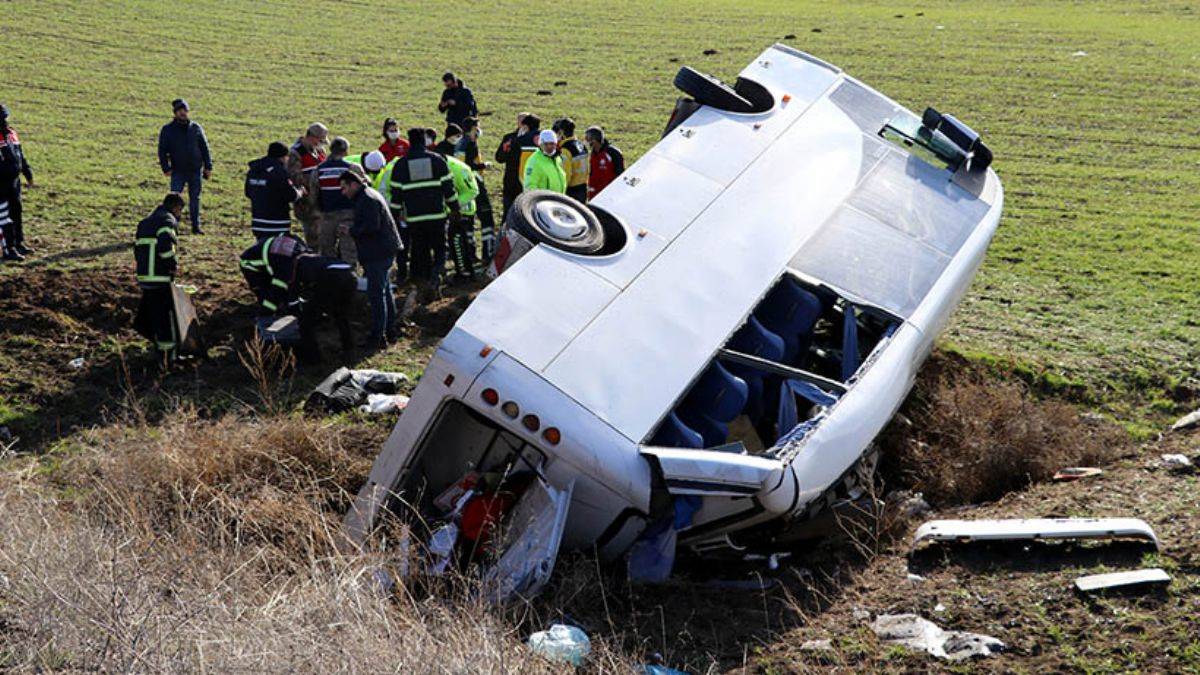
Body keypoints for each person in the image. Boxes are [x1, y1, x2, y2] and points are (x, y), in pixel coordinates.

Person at [239, 233, 356, 362]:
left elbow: (291, 294)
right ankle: (349, 350)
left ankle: (313, 359)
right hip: (350, 276)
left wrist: (292, 311)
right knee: (340, 315)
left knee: (305, 322)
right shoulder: (307, 255)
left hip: (331, 280)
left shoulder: (291, 267)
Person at [382, 128, 460, 301]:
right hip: (437, 216)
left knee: (421, 251)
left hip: (415, 219)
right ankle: (436, 277)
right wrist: (455, 209)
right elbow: (449, 190)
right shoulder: (437, 160)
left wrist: (394, 217)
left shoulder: (401, 165)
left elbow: (396, 197)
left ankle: (424, 285)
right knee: (440, 249)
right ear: (424, 140)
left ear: (409, 141)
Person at [340, 169, 403, 348]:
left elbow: (371, 227)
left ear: (354, 184)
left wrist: (350, 231)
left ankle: (378, 337)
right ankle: (390, 330)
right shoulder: (368, 195)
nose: (343, 192)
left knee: (376, 295)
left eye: (344, 188)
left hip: (378, 252)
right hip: (382, 249)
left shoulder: (366, 199)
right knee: (384, 292)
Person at [133, 193, 184, 367]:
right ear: (176, 207)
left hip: (145, 276)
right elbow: (166, 249)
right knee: (164, 317)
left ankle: (154, 342)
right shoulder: (168, 221)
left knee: (151, 312)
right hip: (160, 277)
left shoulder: (145, 222)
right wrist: (173, 266)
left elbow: (137, 250)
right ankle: (167, 356)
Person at [156, 99, 212, 234]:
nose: (183, 113)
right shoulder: (167, 130)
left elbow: (205, 148)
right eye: (180, 110)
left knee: (195, 200)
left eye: (185, 110)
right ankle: (172, 226)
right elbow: (162, 150)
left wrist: (208, 166)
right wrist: (166, 168)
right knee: (174, 200)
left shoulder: (196, 128)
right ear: (175, 113)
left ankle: (195, 227)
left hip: (195, 170)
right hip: (177, 171)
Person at [435, 141, 480, 280]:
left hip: (463, 211)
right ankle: (462, 272)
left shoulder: (460, 169)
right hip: (448, 211)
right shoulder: (437, 166)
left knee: (458, 243)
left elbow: (473, 190)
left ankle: (465, 274)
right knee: (452, 244)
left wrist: (454, 205)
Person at [454, 117, 498, 262]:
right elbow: (470, 165)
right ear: (473, 128)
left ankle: (470, 254)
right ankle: (488, 252)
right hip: (475, 184)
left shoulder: (460, 143)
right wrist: (483, 165)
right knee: (486, 219)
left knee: (469, 221)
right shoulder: (470, 143)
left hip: (463, 185)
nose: (479, 130)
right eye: (477, 127)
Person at [311, 137, 358, 266]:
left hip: (327, 216)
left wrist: (318, 212)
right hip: (349, 216)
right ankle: (349, 278)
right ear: (345, 151)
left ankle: (329, 277)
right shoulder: (353, 168)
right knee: (349, 252)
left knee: (326, 251)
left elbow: (314, 195)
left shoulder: (319, 170)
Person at [245, 141, 304, 241]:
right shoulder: (279, 172)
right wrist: (300, 192)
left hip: (258, 222)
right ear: (283, 157)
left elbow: (248, 192)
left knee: (262, 249)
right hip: (277, 223)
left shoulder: (254, 170)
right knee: (275, 253)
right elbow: (291, 195)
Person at [0, 103, 34, 261]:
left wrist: (27, 172)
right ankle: (9, 249)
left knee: (16, 212)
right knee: (4, 217)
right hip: (0, 184)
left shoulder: (12, 134)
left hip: (14, 182)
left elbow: (20, 154)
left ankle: (19, 243)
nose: (5, 121)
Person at [286, 122, 328, 247]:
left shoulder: (320, 151)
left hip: (321, 201)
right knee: (313, 238)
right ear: (312, 137)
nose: (320, 144)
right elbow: (295, 177)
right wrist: (316, 180)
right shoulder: (295, 153)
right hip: (307, 204)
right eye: (319, 140)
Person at [494, 112, 540, 218]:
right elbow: (499, 158)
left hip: (528, 181)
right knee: (509, 212)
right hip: (512, 181)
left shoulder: (537, 140)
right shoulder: (510, 138)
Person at [554, 118, 590, 202]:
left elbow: (566, 174)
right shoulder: (581, 145)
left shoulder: (565, 149)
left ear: (561, 132)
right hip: (583, 188)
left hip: (572, 191)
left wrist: (561, 191)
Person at [586, 126, 625, 200]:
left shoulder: (613, 153)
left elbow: (620, 174)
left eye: (589, 139)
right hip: (594, 192)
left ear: (595, 139)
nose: (588, 142)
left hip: (608, 194)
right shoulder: (593, 153)